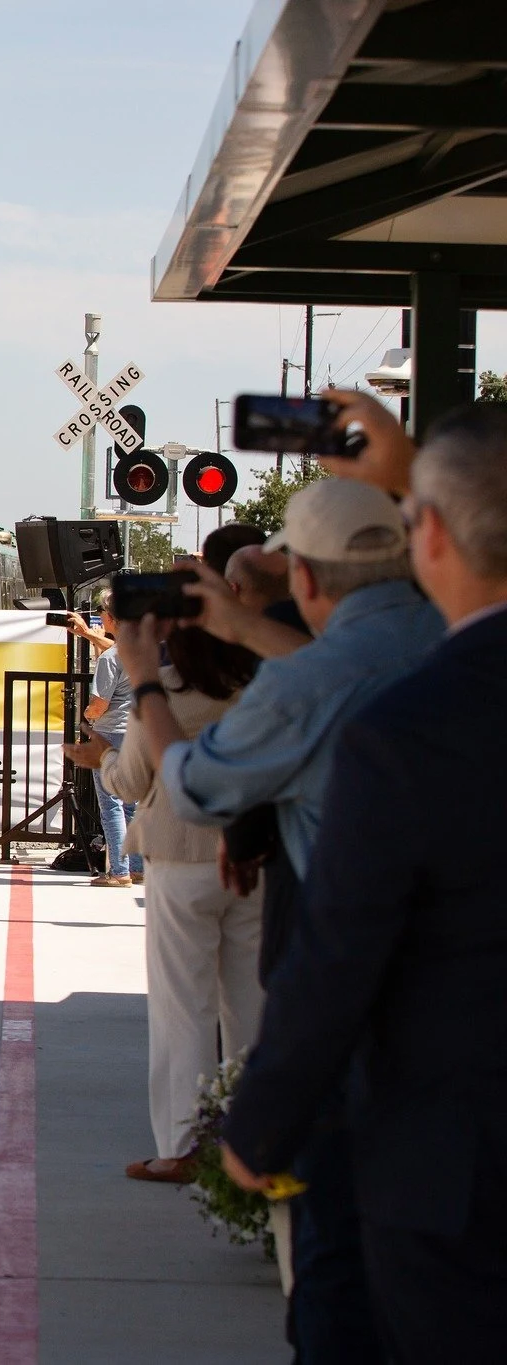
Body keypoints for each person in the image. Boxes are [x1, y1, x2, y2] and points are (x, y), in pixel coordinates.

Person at [125, 468, 444, 1363]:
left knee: (334, 1274)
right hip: (458, 1017)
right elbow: (331, 667)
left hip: (356, 1004)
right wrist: (238, 626)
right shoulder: (438, 638)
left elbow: (194, 784)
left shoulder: (311, 682)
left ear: (303, 579)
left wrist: (145, 678)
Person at [223, 400, 507, 1359]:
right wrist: (414, 466)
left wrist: (259, 1125)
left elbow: (340, 955)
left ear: (427, 536)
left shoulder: (409, 731)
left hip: (457, 1172)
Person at [71, 587, 264, 1183]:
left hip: (179, 859)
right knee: (249, 1008)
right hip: (252, 858)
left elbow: (129, 782)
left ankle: (181, 1147)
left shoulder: (167, 694)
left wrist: (95, 760)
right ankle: (253, 1141)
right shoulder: (257, 692)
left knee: (184, 1008)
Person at [61, 613, 140, 887]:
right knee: (132, 803)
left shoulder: (110, 657)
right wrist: (89, 636)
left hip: (110, 733)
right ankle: (138, 867)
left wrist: (87, 715)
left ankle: (119, 871)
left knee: (111, 804)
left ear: (111, 618)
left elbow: (99, 703)